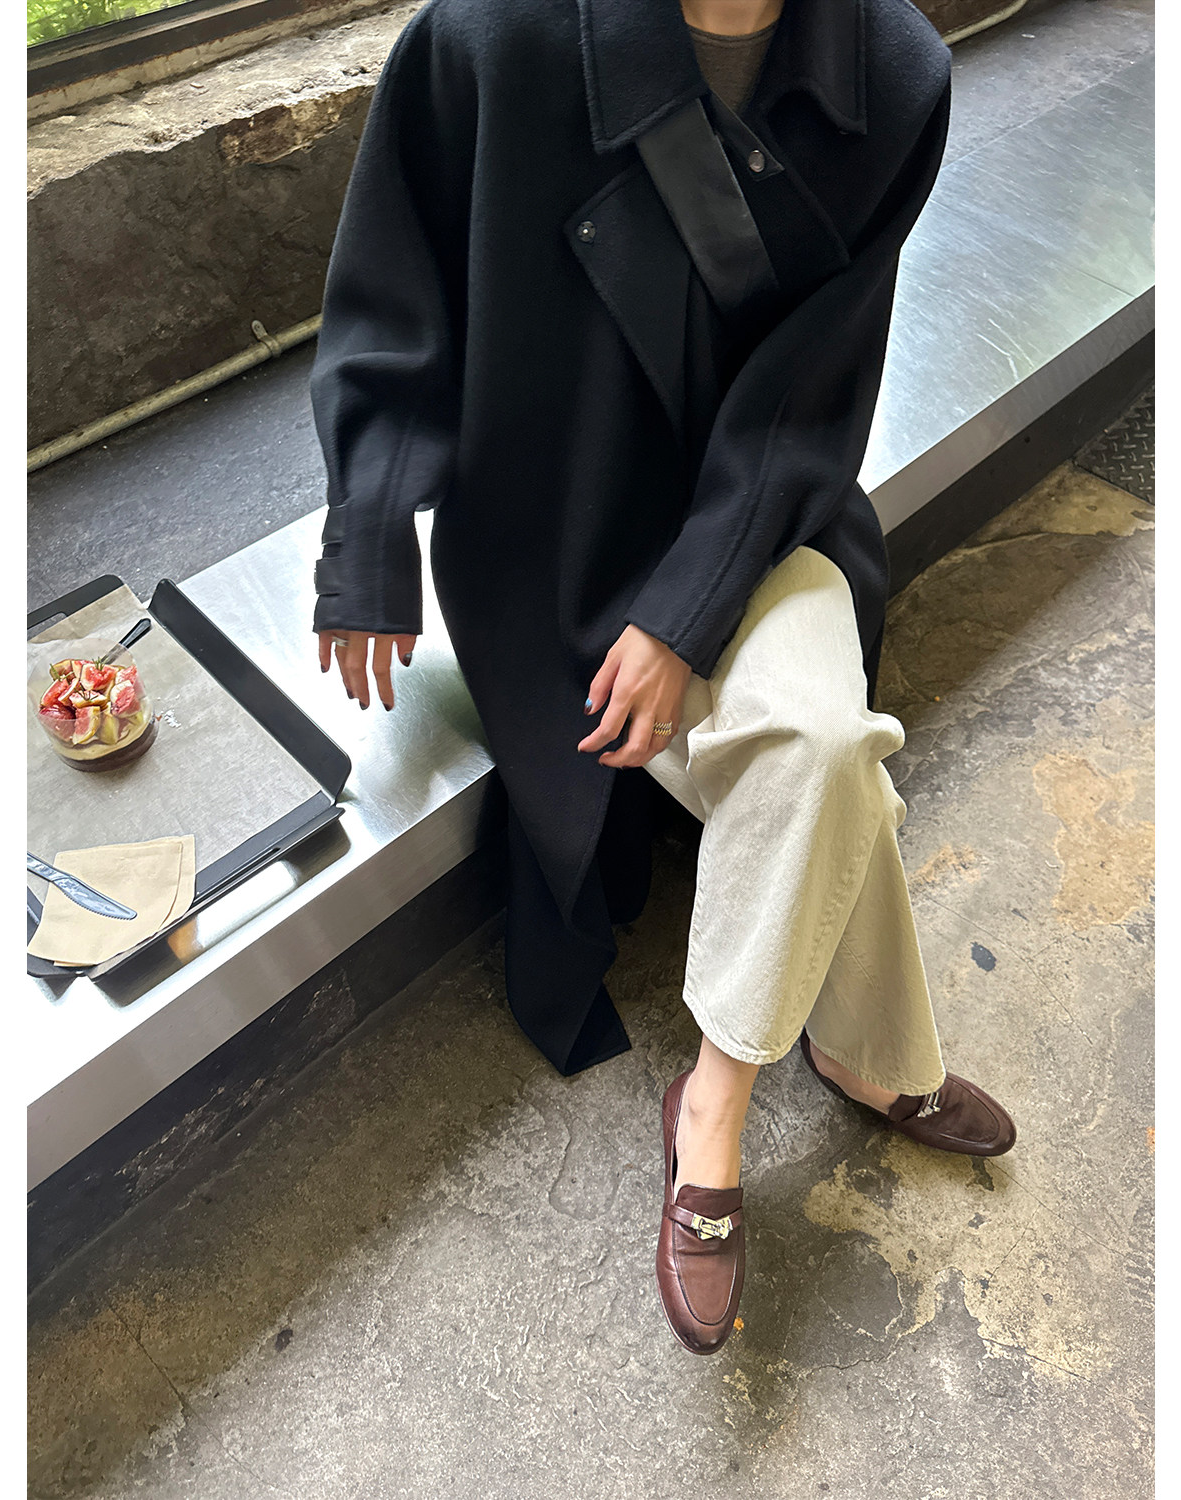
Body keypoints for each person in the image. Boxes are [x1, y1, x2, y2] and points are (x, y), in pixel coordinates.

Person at [308, 0, 1017, 1356]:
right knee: (822, 768)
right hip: (556, 534)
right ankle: (865, 1050)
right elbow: (395, 285)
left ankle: (713, 1109)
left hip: (762, 520)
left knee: (821, 737)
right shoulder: (497, 35)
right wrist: (371, 524)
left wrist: (692, 613)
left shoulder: (894, 74)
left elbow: (814, 391)